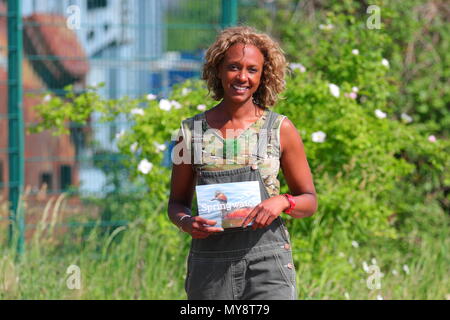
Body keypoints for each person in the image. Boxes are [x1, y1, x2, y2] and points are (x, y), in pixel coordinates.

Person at [168, 26, 317, 300]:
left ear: (263, 76)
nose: (242, 77)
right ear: (218, 70)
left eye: (252, 69)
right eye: (234, 67)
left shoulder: (280, 129)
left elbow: (309, 200)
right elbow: (176, 204)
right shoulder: (189, 133)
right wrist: (187, 222)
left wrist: (283, 201)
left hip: (267, 266)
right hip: (209, 269)